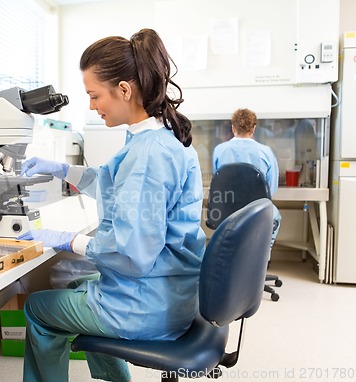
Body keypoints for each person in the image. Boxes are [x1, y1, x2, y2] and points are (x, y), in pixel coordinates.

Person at [17, 28, 206, 382]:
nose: (91, 106)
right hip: (173, 294)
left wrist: (66, 239)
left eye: (94, 95)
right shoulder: (159, 139)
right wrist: (59, 168)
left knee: (38, 308)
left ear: (124, 90)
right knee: (76, 287)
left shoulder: (147, 155)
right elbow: (108, 182)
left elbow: (133, 254)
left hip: (145, 306)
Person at [212, 108, 281, 248]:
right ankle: (264, 253)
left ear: (233, 127)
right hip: (255, 213)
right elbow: (271, 190)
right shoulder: (265, 152)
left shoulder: (219, 150)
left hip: (225, 211)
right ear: (254, 129)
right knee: (276, 216)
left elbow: (217, 181)